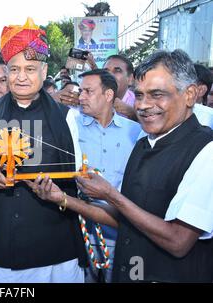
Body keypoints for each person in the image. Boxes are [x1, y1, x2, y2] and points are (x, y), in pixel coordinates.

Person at [29, 49, 213, 282]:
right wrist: (62, 199)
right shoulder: (144, 144)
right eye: (139, 95)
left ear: (190, 95)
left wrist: (110, 194)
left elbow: (178, 241)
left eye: (157, 94)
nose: (144, 105)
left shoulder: (206, 150)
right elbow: (126, 218)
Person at [0, 17, 87, 283]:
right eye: (15, 69)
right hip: (4, 246)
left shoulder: (67, 117)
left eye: (30, 69)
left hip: (58, 244)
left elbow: (76, 170)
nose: (21, 77)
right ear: (7, 72)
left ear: (44, 73)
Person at [75, 69, 141, 282]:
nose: (81, 97)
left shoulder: (136, 132)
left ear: (109, 95)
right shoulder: (71, 129)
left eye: (88, 91)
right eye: (80, 91)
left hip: (124, 235)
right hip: (80, 232)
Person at [103, 55, 137, 121]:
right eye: (106, 71)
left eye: (117, 71)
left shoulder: (140, 104)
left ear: (130, 79)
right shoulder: (93, 100)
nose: (109, 75)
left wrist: (134, 114)